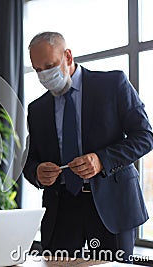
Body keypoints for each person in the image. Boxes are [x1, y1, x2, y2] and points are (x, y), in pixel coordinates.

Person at [23, 32, 153, 262]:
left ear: (68, 56)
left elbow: (144, 136)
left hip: (112, 207)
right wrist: (37, 172)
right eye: (37, 69)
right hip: (61, 210)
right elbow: (29, 160)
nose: (44, 74)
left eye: (50, 65)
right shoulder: (37, 109)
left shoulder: (113, 84)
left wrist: (102, 159)